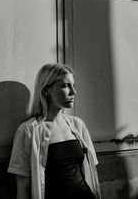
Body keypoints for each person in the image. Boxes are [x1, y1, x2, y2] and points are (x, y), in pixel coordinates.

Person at [8, 63, 101, 199]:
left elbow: (91, 171)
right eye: (65, 86)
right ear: (46, 91)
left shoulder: (77, 124)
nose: (73, 92)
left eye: (73, 86)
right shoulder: (29, 130)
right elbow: (23, 188)